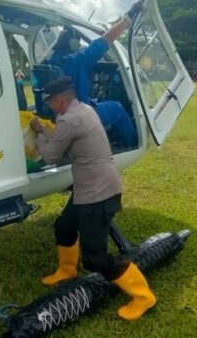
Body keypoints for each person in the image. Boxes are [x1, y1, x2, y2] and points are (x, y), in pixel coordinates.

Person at [30, 76, 157, 320]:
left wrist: (37, 133)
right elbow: (61, 137)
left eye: (50, 102)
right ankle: (67, 271)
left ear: (59, 100)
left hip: (98, 194)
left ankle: (143, 297)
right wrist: (44, 129)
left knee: (96, 258)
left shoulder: (69, 119)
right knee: (64, 226)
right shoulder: (83, 109)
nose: (49, 107)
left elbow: (50, 155)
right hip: (88, 188)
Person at [44, 2, 143, 148]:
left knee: (98, 101)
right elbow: (106, 39)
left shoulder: (49, 62)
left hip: (57, 114)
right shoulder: (79, 59)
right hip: (81, 116)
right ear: (73, 43)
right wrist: (128, 17)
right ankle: (133, 144)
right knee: (117, 108)